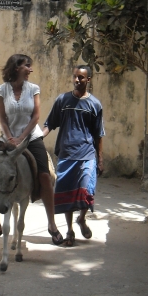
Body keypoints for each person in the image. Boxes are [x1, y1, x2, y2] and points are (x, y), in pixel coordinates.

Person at [0, 54, 64, 248]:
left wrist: (22, 138)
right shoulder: (1, 90)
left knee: (45, 176)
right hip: (7, 138)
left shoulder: (33, 89)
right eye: (27, 65)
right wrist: (10, 137)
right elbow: (2, 119)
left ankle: (52, 225)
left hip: (31, 138)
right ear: (17, 67)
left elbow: (36, 117)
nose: (30, 69)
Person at [43, 65, 105, 247]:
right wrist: (37, 137)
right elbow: (50, 124)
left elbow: (99, 134)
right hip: (66, 154)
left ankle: (82, 219)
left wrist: (100, 159)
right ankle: (69, 230)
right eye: (75, 77)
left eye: (81, 77)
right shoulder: (62, 100)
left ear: (88, 80)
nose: (77, 80)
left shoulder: (95, 105)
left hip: (87, 154)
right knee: (66, 194)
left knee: (86, 191)